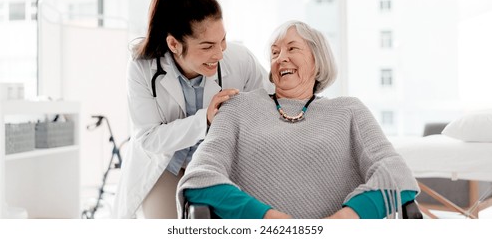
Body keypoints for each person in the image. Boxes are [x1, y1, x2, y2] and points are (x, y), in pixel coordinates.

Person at [176, 20, 420, 219]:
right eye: (274, 52)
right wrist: (267, 219)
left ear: (317, 60)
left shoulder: (349, 111)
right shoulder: (237, 107)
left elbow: (397, 173)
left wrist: (347, 219)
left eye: (292, 48)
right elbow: (200, 176)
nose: (281, 57)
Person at [113, 0, 272, 219]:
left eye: (222, 41)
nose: (219, 54)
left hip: (215, 165)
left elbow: (272, 101)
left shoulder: (240, 60)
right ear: (174, 44)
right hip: (164, 165)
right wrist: (205, 120)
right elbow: (148, 138)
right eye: (207, 47)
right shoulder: (142, 68)